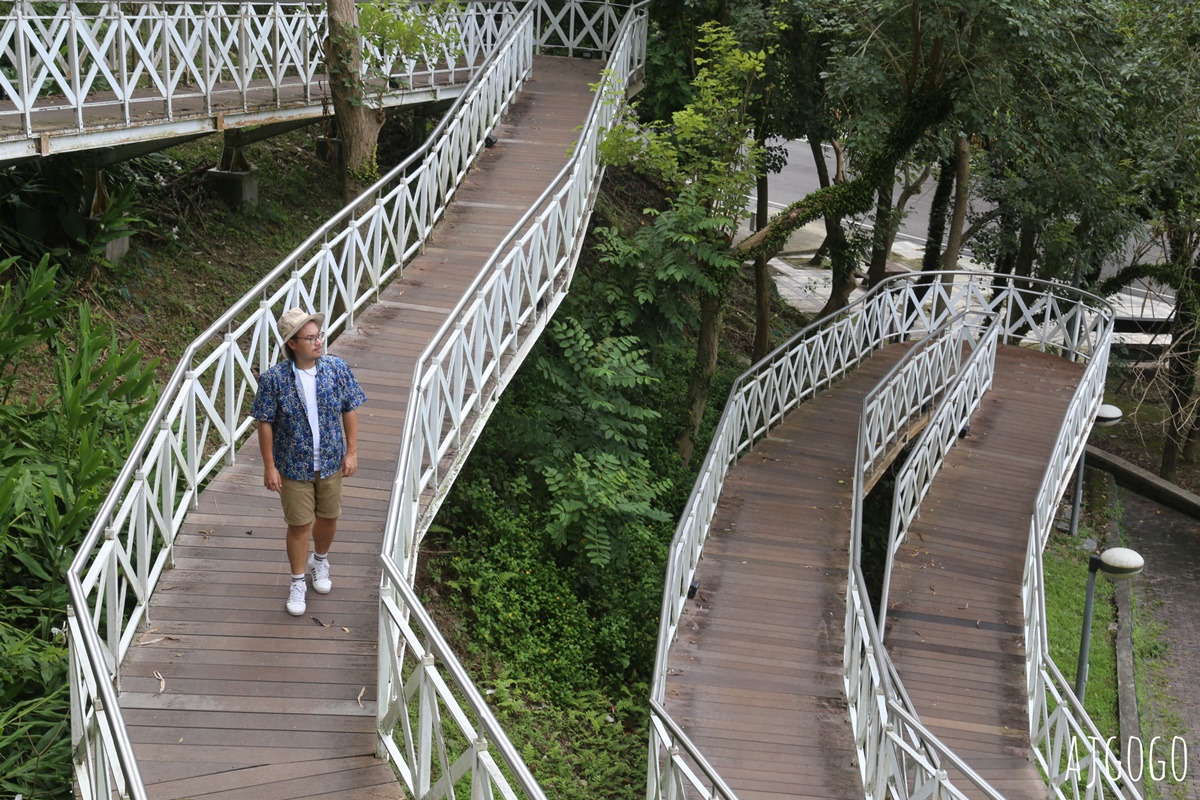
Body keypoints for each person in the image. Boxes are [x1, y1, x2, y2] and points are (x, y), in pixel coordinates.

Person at [251, 307, 367, 616]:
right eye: (311, 337)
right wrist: (269, 466)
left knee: (329, 517)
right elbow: (264, 422)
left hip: (329, 461)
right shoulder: (275, 379)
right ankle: (298, 581)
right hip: (292, 465)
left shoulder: (336, 368)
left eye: (320, 336)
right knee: (299, 524)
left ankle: (321, 561)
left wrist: (351, 451)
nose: (318, 342)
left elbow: (350, 408)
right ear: (292, 343)